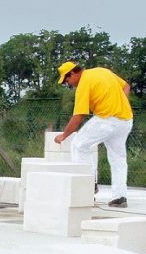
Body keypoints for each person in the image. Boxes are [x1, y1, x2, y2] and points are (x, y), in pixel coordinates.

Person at [55, 61, 133, 208]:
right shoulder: (102, 71)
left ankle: (88, 186)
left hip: (106, 120)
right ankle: (120, 197)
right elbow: (126, 86)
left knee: (78, 145)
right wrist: (121, 103)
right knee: (118, 158)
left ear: (72, 73)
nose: (69, 85)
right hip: (125, 120)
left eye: (67, 81)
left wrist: (63, 136)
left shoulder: (84, 83)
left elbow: (79, 115)